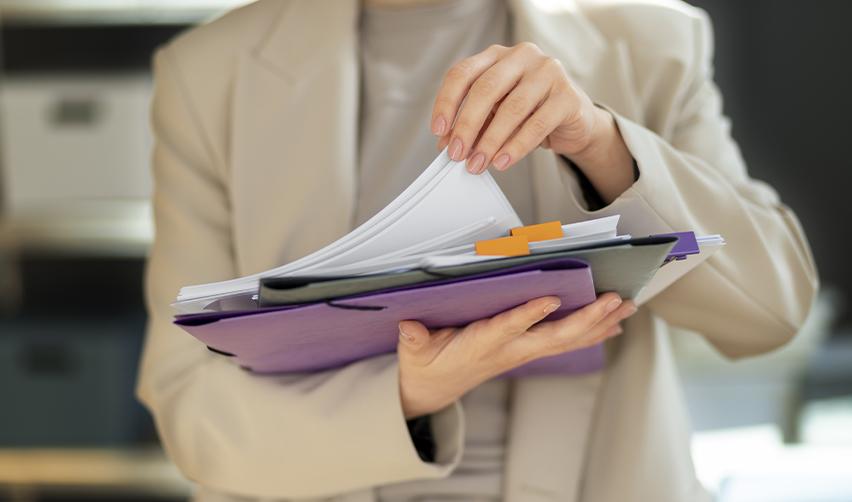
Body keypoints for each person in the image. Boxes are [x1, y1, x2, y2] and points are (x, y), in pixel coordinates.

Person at [136, 0, 819, 500]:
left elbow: (771, 314)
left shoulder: (649, 40)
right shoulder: (209, 75)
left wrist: (601, 144)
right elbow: (192, 412)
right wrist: (410, 392)